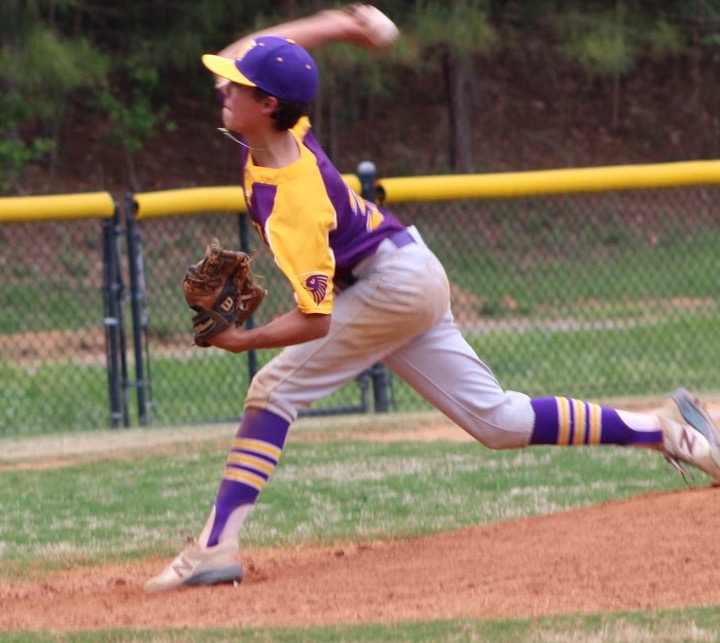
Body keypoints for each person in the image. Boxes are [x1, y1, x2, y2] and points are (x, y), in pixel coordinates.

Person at [145, 5, 720, 592]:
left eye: (239, 85)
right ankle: (673, 432)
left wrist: (244, 339)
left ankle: (215, 546)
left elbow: (316, 320)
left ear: (268, 104)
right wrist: (338, 25)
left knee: (272, 389)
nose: (226, 87)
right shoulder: (283, 128)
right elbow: (247, 54)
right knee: (498, 421)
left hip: (389, 286)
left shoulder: (294, 198)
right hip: (403, 273)